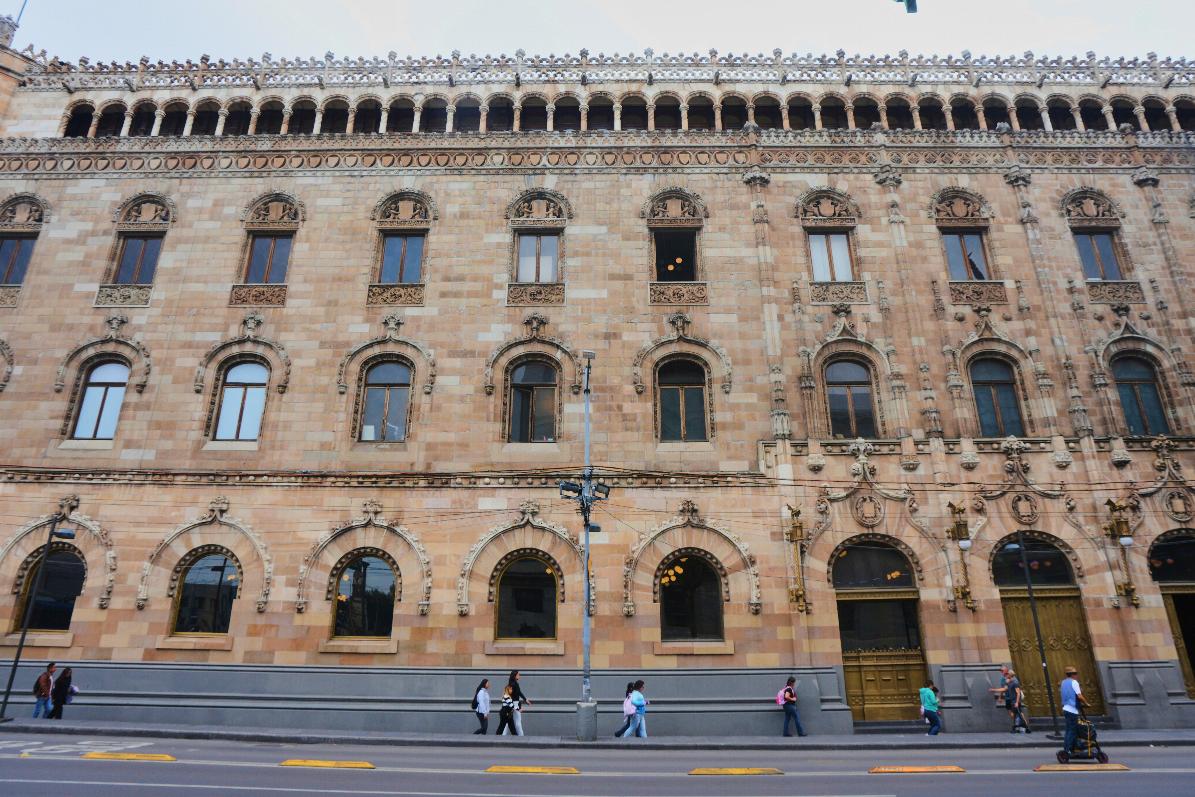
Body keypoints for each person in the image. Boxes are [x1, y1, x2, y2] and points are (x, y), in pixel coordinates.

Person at [1060, 666, 1089, 754]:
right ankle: (1067, 749)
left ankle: (1074, 747)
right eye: (1075, 674)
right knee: (1072, 730)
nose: (1076, 675)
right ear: (1072, 675)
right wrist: (1087, 703)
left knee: (1070, 729)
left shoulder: (1063, 682)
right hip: (1072, 709)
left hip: (1066, 708)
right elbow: (1079, 696)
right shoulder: (1074, 682)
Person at [503, 670, 531, 736]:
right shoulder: (515, 684)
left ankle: (503, 735)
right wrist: (524, 701)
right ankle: (521, 736)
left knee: (508, 722)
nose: (519, 676)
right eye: (518, 674)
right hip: (515, 704)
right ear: (515, 676)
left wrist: (525, 699)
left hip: (510, 704)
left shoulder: (510, 684)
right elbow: (519, 693)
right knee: (518, 722)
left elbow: (508, 696)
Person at [1004, 669, 1031, 733]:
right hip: (1013, 701)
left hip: (1015, 702)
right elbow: (1005, 688)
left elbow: (1018, 693)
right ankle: (1018, 728)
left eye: (1007, 674)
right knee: (1016, 715)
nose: (1006, 675)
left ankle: (1026, 728)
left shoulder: (1015, 683)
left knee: (1019, 715)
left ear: (1010, 675)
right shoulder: (1010, 682)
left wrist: (1016, 702)